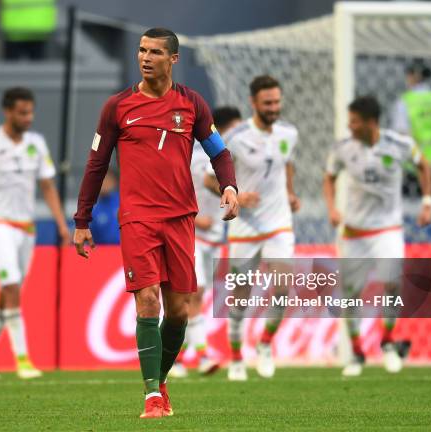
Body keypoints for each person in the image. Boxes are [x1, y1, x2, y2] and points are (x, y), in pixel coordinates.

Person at [73, 28, 238, 419]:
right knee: (147, 301)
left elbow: (219, 151)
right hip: (138, 219)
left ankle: (159, 380)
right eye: (142, 50)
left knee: (179, 311)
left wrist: (229, 186)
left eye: (155, 52)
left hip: (181, 218)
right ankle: (151, 395)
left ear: (173, 59)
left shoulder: (192, 104)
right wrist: (83, 220)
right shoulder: (118, 107)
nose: (146, 58)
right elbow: (96, 164)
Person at [0, 87, 70, 380]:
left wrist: (61, 224)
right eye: (23, 113)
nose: (28, 118)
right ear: (7, 112)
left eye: (31, 112)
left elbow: (47, 186)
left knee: (11, 292)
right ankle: (23, 360)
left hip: (26, 228)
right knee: (10, 285)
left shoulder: (36, 142)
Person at [324, 95, 431, 377]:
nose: (350, 126)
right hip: (354, 232)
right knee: (350, 294)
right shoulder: (343, 148)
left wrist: (427, 201)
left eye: (355, 122)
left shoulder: (400, 144)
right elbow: (329, 176)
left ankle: (387, 341)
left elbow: (424, 165)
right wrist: (332, 208)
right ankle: (358, 352)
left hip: (387, 229)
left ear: (371, 123)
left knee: (392, 283)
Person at [205, 75, 301, 381]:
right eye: (267, 103)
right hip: (245, 228)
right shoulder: (235, 136)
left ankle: (265, 344)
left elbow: (286, 164)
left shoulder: (289, 132)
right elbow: (210, 177)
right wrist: (235, 194)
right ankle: (236, 358)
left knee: (284, 286)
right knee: (241, 298)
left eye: (277, 102)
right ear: (253, 103)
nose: (274, 108)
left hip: (278, 224)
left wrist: (289, 192)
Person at [169, 106, 242, 379]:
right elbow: (179, 188)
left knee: (188, 298)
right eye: (234, 129)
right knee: (195, 291)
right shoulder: (198, 158)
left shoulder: (232, 161)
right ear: (220, 131)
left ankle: (173, 357)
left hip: (214, 238)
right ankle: (201, 355)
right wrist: (194, 217)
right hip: (191, 234)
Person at [391, 59, 431, 195]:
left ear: (414, 76)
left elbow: (403, 135)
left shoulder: (405, 101)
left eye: (408, 74)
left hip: (412, 167)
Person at [89, 169, 120, 244]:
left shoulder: (123, 202)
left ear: (114, 182)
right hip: (103, 252)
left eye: (107, 180)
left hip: (123, 250)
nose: (104, 183)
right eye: (101, 180)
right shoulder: (94, 210)